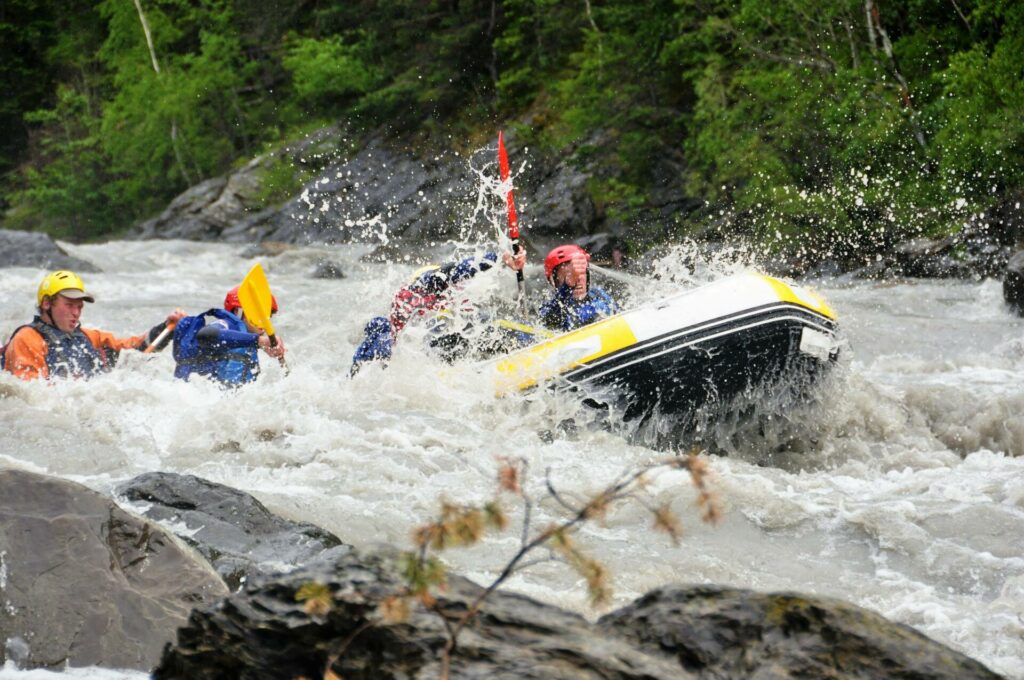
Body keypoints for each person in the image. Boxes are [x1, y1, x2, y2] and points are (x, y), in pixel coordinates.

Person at [351, 250, 525, 373]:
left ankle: (527, 344)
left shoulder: (454, 296)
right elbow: (457, 270)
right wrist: (498, 258)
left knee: (485, 322)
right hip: (430, 351)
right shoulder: (414, 294)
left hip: (441, 350)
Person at [1, 270, 185, 381]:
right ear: (47, 304)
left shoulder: (90, 337)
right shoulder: (27, 339)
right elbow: (31, 397)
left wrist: (166, 328)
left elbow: (135, 349)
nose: (76, 312)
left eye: (79, 307)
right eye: (69, 305)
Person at [172, 286, 287, 387]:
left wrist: (264, 345)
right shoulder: (227, 324)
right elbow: (206, 335)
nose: (264, 320)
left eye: (268, 315)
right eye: (257, 313)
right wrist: (260, 341)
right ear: (238, 311)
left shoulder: (247, 338)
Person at [538, 244, 619, 332]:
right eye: (567, 274)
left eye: (581, 272)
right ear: (554, 282)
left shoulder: (599, 295)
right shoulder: (549, 308)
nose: (577, 279)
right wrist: (568, 286)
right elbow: (550, 321)